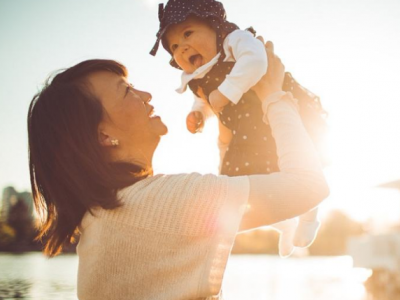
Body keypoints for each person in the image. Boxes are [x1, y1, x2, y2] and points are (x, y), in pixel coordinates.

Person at [28, 40, 329, 299]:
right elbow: (309, 186)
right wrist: (274, 95)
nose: (145, 95)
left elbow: (231, 205)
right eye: (126, 91)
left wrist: (226, 135)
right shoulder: (156, 203)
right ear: (103, 136)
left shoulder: (112, 215)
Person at [150, 0, 323, 257]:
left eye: (188, 33)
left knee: (301, 163)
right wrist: (198, 113)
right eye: (174, 46)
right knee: (242, 192)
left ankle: (309, 218)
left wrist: (227, 91)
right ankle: (285, 224)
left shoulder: (234, 40)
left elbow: (256, 61)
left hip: (275, 114)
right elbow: (204, 99)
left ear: (213, 25)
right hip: (247, 134)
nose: (182, 47)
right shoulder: (199, 76)